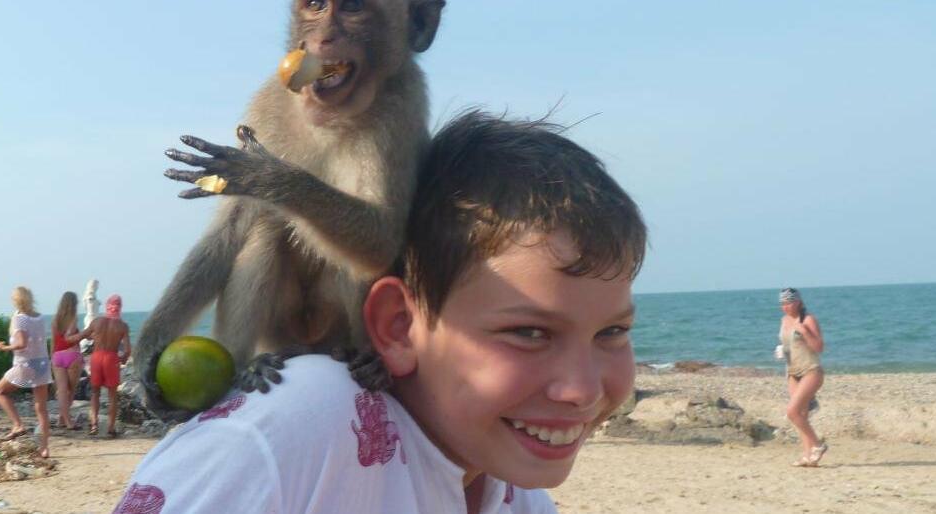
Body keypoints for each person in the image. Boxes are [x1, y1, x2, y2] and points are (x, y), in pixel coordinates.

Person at [117, 111, 646, 512]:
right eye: (529, 332)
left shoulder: (514, 490)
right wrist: (152, 348)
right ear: (399, 325)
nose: (581, 390)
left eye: (613, 331)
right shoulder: (286, 432)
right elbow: (223, 245)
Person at [0, 286, 52, 456]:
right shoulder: (39, 317)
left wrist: (4, 348)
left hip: (25, 364)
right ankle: (45, 448)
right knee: (41, 408)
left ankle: (18, 424)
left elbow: (21, 344)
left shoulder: (20, 318)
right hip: (42, 363)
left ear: (16, 300)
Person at [778, 287, 828, 467]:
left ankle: (817, 445)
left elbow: (819, 347)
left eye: (789, 303)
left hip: (811, 371)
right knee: (802, 415)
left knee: (792, 412)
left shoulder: (808, 320)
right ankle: (808, 456)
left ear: (798, 302)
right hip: (792, 372)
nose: (785, 307)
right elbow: (789, 344)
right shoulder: (784, 320)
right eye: (782, 303)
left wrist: (805, 332)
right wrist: (782, 352)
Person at [67, 294, 128, 438]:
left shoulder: (97, 321)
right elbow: (127, 350)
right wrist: (123, 359)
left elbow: (80, 336)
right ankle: (111, 428)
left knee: (95, 393)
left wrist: (66, 339)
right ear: (119, 308)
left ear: (106, 306)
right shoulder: (122, 326)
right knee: (112, 396)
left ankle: (94, 425)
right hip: (111, 358)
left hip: (97, 358)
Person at [50, 291, 84, 431]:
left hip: (57, 356)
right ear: (74, 303)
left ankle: (61, 419)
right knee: (71, 390)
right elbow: (69, 337)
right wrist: (83, 334)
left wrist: (51, 357)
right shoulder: (73, 318)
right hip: (72, 355)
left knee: (62, 390)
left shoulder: (55, 319)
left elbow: (53, 341)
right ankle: (68, 421)